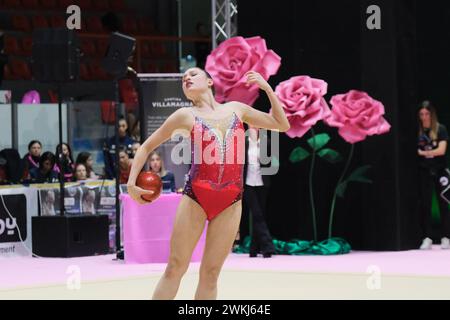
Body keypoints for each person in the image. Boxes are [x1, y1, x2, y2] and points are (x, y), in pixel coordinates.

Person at [127, 67, 289, 300]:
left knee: (211, 274)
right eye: (184, 79)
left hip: (231, 202)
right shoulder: (184, 115)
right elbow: (145, 147)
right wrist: (132, 183)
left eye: (192, 74)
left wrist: (267, 89)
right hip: (196, 198)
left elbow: (281, 124)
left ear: (210, 81)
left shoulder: (236, 109)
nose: (187, 78)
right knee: (175, 267)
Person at [417, 101, 450, 250]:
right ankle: (427, 237)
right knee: (425, 205)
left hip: (440, 170)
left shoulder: (440, 129)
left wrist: (425, 153)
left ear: (432, 114)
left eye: (427, 114)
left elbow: (441, 150)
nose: (424, 117)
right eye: (422, 114)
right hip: (425, 172)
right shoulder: (418, 131)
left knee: (443, 204)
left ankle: (446, 237)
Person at [241, 125, 276, 258]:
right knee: (257, 214)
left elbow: (272, 161)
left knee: (260, 214)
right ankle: (268, 246)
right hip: (247, 182)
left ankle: (254, 249)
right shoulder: (243, 142)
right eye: (251, 124)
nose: (254, 127)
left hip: (262, 181)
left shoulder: (266, 142)